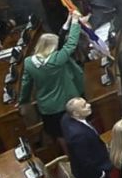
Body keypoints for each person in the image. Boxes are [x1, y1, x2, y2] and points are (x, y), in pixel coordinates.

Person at [18, 13, 83, 151]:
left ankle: (69, 156)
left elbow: (26, 84)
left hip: (48, 108)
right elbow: (71, 43)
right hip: (68, 102)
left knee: (59, 134)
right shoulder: (57, 60)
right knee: (77, 129)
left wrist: (23, 101)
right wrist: (76, 22)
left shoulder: (29, 63)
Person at [62, 97, 112, 178]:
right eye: (84, 106)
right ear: (75, 113)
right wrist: (100, 174)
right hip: (94, 175)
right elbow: (85, 162)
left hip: (95, 156)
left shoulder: (67, 118)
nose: (89, 105)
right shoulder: (78, 135)